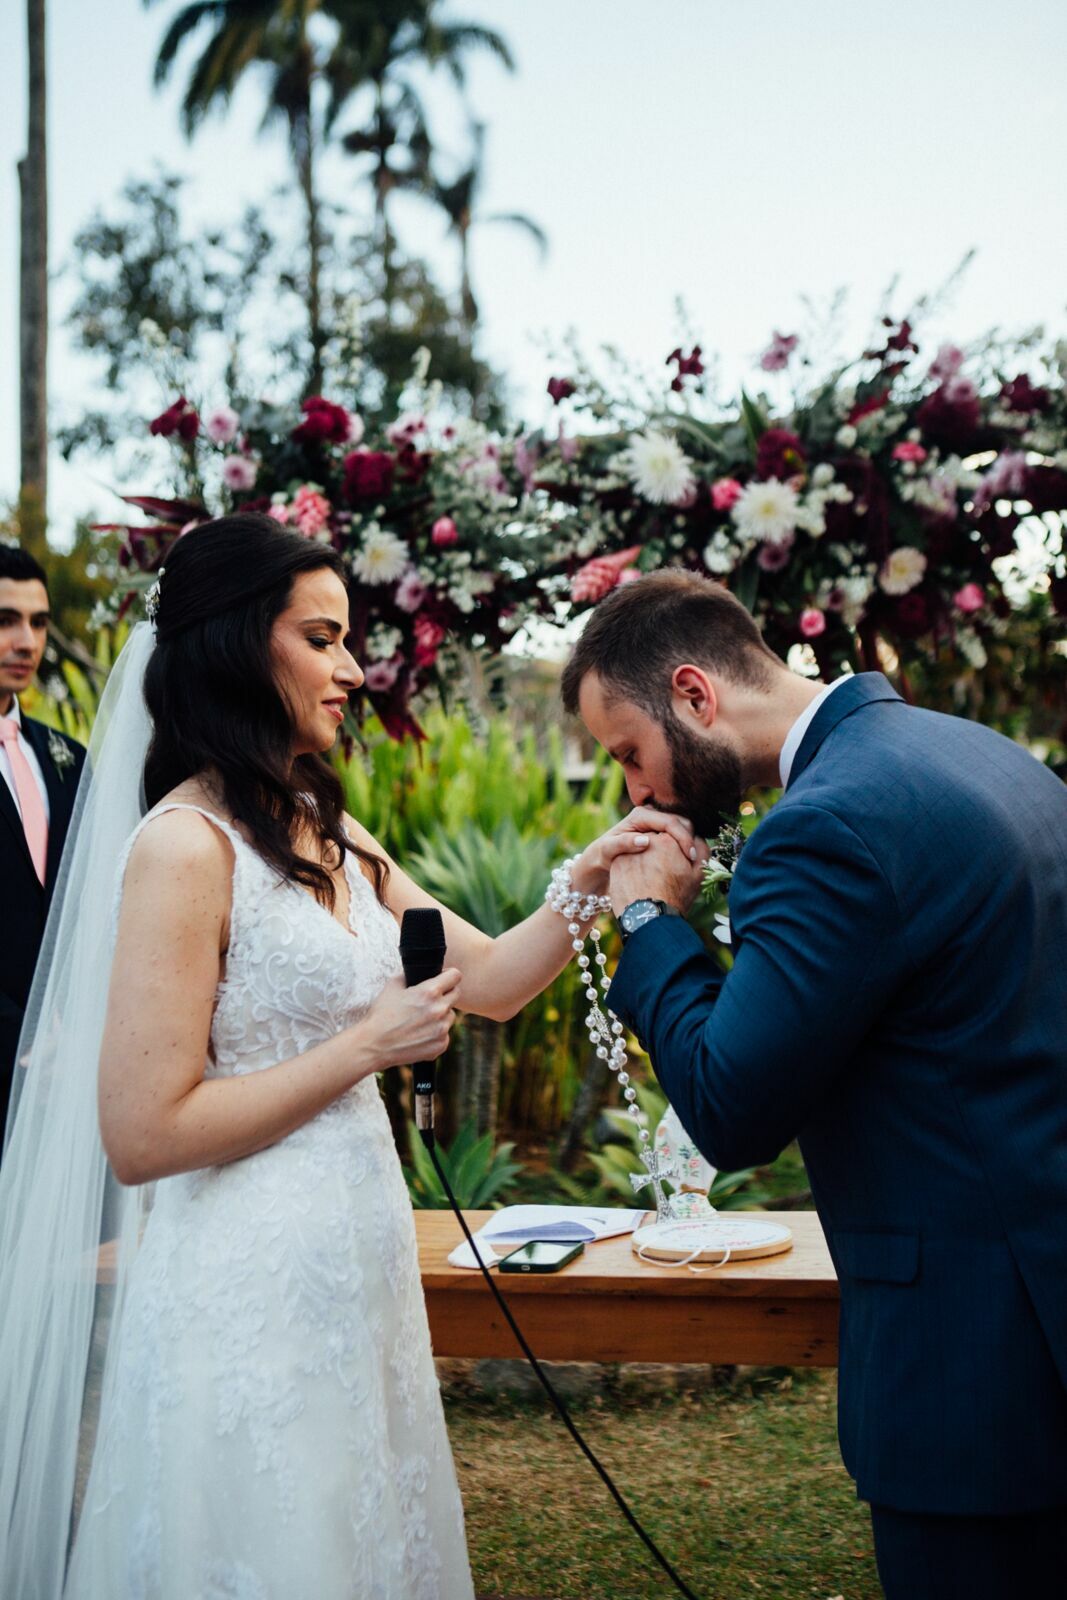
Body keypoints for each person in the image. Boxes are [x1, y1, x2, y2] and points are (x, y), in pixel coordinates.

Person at [0, 514, 690, 1600]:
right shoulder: (185, 846)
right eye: (321, 638)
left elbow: (497, 980)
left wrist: (596, 873)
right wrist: (363, 1048)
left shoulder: (330, 827)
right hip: (246, 1283)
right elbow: (141, 1133)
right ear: (237, 644)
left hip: (351, 1270)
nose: (352, 668)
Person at [560, 569, 1067, 1600]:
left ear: (694, 695)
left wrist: (649, 923)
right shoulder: (990, 760)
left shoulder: (824, 825)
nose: (635, 790)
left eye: (628, 751)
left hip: (968, 1370)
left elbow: (730, 1105)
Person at [0, 544, 85, 1142]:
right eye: (5, 620)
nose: (27, 642)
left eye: (38, 621)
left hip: (67, 1078)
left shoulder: (67, 758)